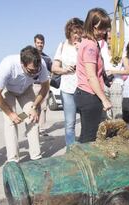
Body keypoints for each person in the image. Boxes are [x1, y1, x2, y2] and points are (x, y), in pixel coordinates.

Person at [0, 46, 50, 162]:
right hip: (8, 90)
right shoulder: (8, 65)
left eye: (36, 71)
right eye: (31, 71)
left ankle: (36, 157)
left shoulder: (41, 64)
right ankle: (13, 160)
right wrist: (11, 113)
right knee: (11, 122)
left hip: (26, 90)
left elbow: (45, 86)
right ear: (22, 63)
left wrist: (34, 106)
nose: (34, 74)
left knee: (32, 118)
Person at [75, 8, 112, 143]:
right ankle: (80, 162)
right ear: (92, 25)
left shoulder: (89, 42)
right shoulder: (90, 46)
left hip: (83, 93)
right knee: (89, 138)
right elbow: (91, 77)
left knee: (86, 134)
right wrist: (104, 99)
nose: (103, 32)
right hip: (89, 95)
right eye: (100, 28)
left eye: (105, 28)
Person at [51, 18, 84, 148]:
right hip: (67, 89)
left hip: (83, 87)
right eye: (74, 32)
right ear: (69, 32)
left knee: (86, 122)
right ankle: (71, 150)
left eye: (79, 32)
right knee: (70, 123)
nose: (77, 35)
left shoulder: (84, 45)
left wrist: (80, 50)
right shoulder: (62, 45)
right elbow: (54, 68)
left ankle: (84, 148)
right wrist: (65, 70)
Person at [101, 31, 129, 119]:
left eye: (111, 39)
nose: (109, 41)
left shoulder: (121, 51)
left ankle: (118, 132)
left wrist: (113, 72)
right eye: (107, 39)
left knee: (117, 113)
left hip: (116, 83)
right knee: (104, 113)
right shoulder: (102, 51)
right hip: (103, 83)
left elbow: (127, 71)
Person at [33, 34, 52, 137]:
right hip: (32, 86)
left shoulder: (47, 58)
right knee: (31, 107)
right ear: (35, 43)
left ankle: (42, 129)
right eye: (38, 43)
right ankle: (31, 128)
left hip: (43, 86)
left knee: (43, 108)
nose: (40, 45)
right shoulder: (30, 55)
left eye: (41, 43)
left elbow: (52, 69)